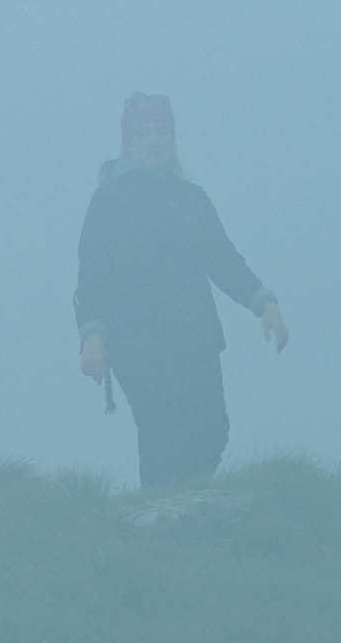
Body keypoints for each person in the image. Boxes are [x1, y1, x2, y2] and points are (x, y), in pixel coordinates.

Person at [74, 92, 288, 489]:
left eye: (163, 132)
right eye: (145, 133)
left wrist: (264, 302)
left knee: (211, 429)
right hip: (134, 340)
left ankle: (186, 513)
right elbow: (92, 275)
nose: (155, 141)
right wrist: (92, 336)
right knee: (162, 431)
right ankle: (161, 526)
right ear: (129, 142)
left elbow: (223, 259)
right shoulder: (109, 199)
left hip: (195, 337)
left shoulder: (191, 199)